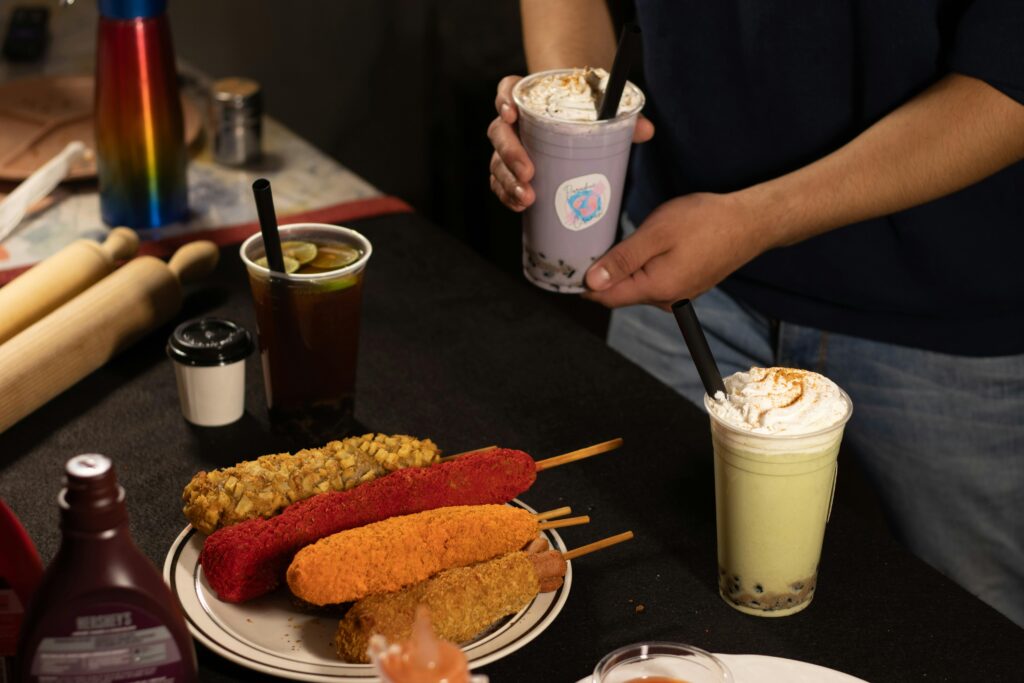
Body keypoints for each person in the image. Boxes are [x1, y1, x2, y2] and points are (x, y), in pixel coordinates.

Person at [487, 0, 1024, 626]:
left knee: (980, 624)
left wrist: (758, 220)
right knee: (625, 580)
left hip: (947, 313)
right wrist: (573, 123)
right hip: (679, 272)